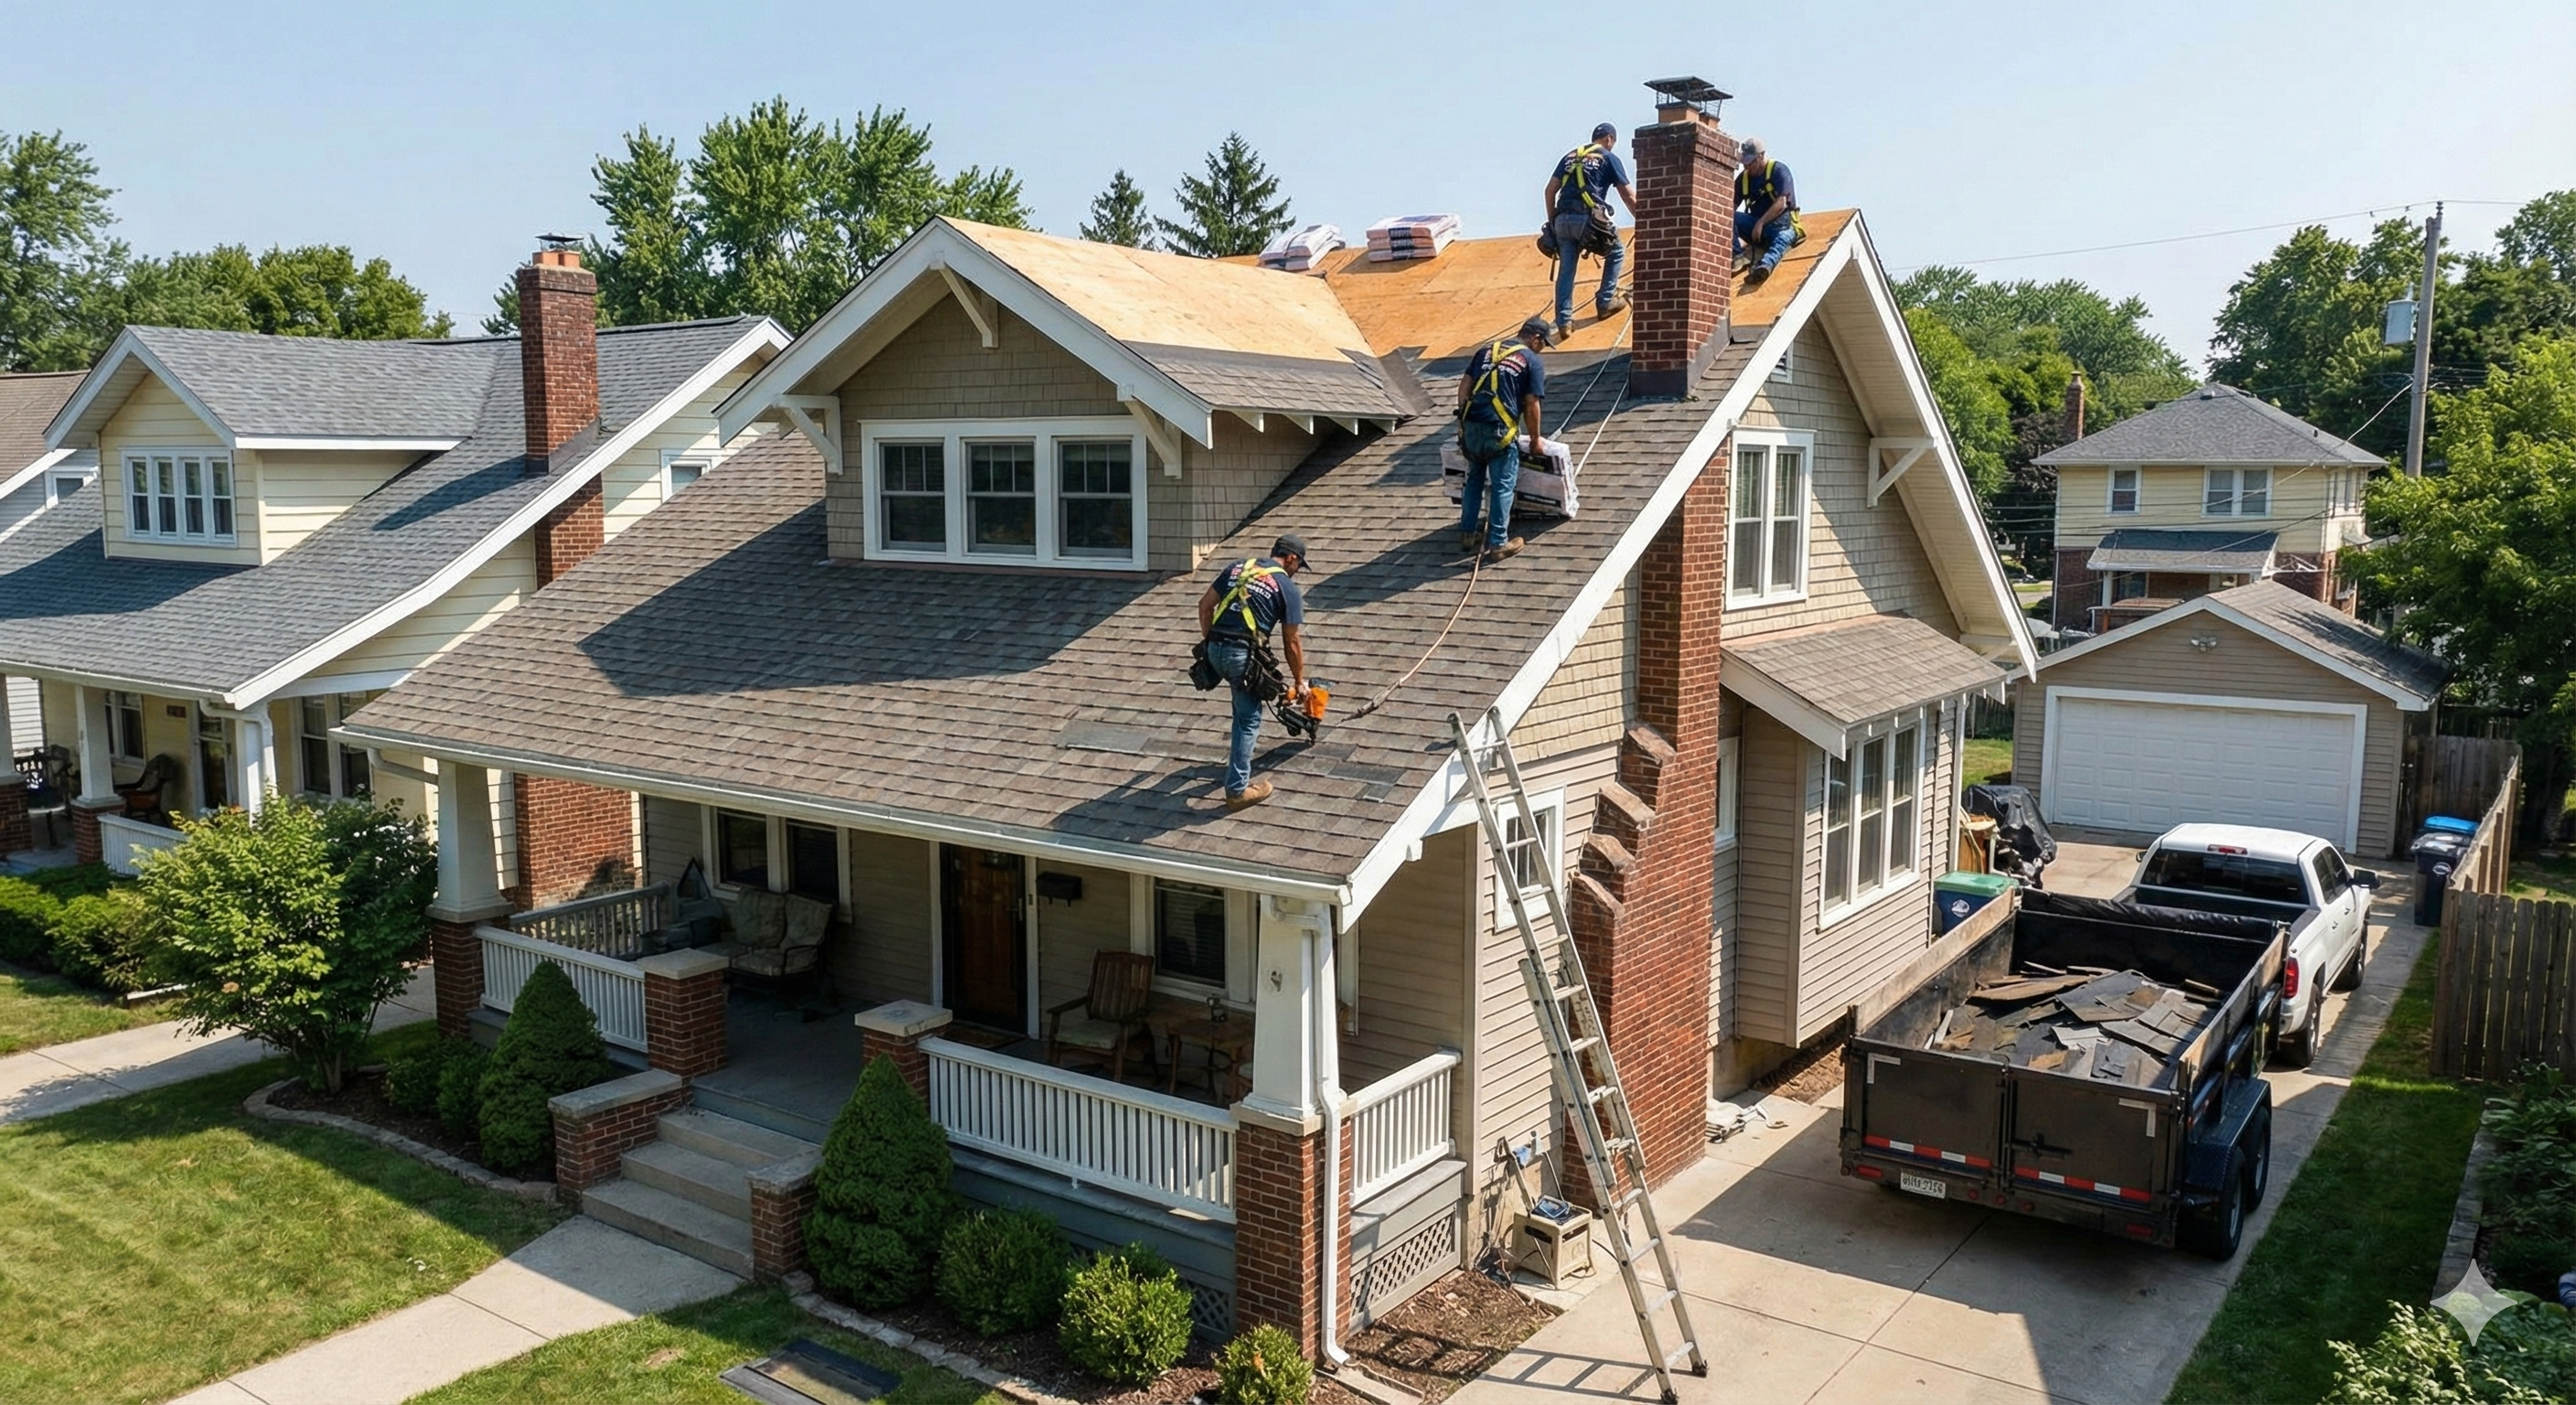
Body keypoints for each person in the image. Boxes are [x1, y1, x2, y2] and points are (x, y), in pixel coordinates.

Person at [1197, 534, 1313, 810]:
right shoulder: (1286, 587)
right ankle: (1237, 791)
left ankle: (1237, 768)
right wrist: (1299, 682)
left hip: (1215, 650)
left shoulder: (1238, 568)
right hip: (1241, 656)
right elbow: (1292, 642)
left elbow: (1204, 607)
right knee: (1249, 719)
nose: (1296, 572)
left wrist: (1212, 646)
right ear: (1291, 559)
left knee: (1244, 700)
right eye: (1298, 565)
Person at [1454, 317, 1551, 563]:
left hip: (1473, 427)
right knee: (1502, 485)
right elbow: (1531, 404)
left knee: (1474, 479)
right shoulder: (1531, 361)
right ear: (1535, 339)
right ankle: (1497, 543)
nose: (1541, 348)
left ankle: (1468, 534)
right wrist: (1536, 440)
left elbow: (1464, 386)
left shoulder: (1485, 350)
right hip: (1499, 430)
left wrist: (1463, 423)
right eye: (1542, 344)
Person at [1543, 123, 1638, 340]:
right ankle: (1605, 302)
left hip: (1562, 221)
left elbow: (1550, 190)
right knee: (1615, 251)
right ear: (1609, 140)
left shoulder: (1570, 156)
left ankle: (1564, 321)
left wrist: (1552, 223)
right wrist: (1644, 222)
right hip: (1587, 220)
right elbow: (1628, 196)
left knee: (1566, 269)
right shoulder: (1608, 157)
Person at [1734, 137, 1801, 284]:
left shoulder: (1778, 170)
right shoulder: (1743, 179)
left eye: (1751, 163)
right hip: (1755, 227)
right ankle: (1737, 258)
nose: (1747, 167)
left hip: (1780, 225)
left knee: (1783, 239)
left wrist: (1761, 223)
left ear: (1761, 156)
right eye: (1745, 163)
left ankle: (1764, 266)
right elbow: (1728, 207)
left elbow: (1782, 202)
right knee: (1730, 216)